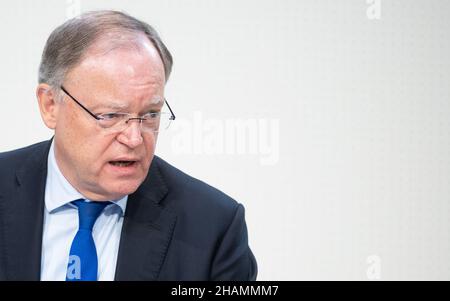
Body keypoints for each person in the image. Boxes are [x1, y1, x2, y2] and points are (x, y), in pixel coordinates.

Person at [0, 10, 257, 281]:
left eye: (150, 115)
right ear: (50, 105)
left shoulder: (213, 227)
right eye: (110, 116)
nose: (134, 138)